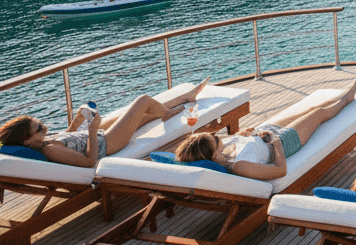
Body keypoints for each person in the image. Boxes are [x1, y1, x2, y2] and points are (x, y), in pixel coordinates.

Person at [175, 78, 356, 180]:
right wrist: (276, 143)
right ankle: (346, 99)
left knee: (309, 109)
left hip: (264, 131)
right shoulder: (239, 166)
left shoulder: (220, 153)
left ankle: (339, 95)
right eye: (215, 138)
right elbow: (280, 170)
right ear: (214, 155)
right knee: (318, 114)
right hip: (283, 142)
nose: (217, 136)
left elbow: (242, 145)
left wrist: (243, 134)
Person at [1, 78, 212, 167]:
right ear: (27, 141)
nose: (44, 126)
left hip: (99, 135)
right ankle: (168, 113)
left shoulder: (46, 142)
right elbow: (89, 162)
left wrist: (78, 119)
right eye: (39, 128)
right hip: (107, 144)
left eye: (40, 122)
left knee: (145, 112)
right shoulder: (49, 150)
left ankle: (184, 98)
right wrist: (92, 131)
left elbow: (70, 136)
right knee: (143, 101)